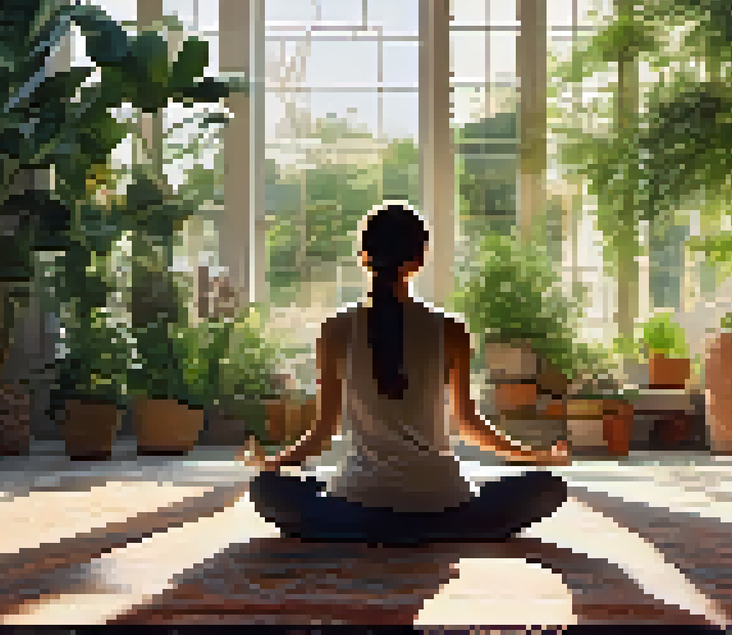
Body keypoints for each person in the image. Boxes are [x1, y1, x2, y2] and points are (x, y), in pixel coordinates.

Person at [241, 201, 571, 546]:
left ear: (363, 256)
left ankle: (370, 530)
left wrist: (271, 463)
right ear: (420, 259)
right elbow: (469, 426)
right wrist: (539, 456)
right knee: (547, 486)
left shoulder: (336, 329)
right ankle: (440, 529)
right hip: (443, 501)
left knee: (268, 490)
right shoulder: (451, 330)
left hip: (360, 502)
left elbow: (324, 432)